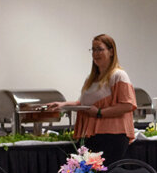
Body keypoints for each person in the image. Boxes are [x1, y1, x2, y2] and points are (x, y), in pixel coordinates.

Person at [48, 34, 137, 165]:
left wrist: (99, 113)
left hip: (112, 136)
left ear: (111, 51)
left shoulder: (118, 75)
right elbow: (83, 104)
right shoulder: (91, 79)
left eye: (100, 49)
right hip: (92, 136)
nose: (96, 53)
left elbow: (128, 105)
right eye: (93, 50)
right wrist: (63, 104)